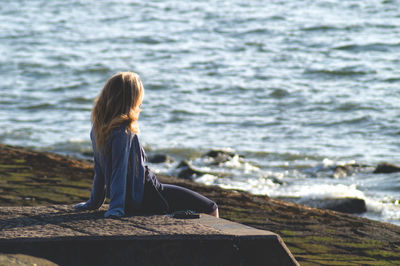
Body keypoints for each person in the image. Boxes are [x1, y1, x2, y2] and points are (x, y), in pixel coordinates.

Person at [74, 72, 219, 218]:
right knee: (210, 207)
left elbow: (100, 170)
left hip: (138, 194)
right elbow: (119, 170)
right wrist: (116, 209)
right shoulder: (123, 131)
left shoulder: (98, 129)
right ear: (132, 100)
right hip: (149, 193)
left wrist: (94, 202)